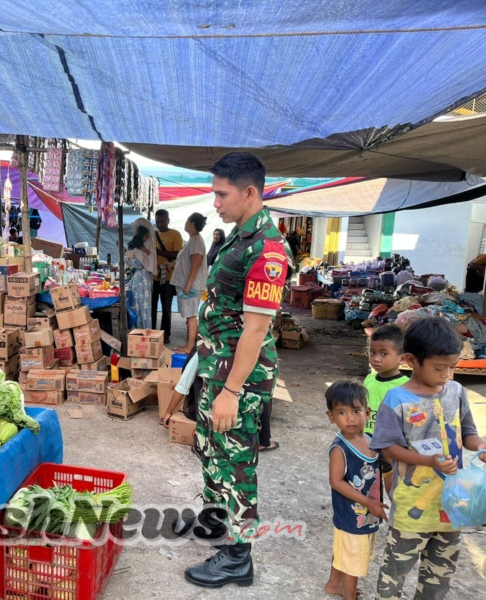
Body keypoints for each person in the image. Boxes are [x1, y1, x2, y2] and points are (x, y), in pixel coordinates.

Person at [179, 152, 292, 589]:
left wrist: (231, 391)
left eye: (221, 194)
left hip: (236, 378)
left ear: (249, 193)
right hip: (217, 366)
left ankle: (238, 557)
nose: (215, 203)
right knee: (212, 452)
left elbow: (257, 328)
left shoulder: (267, 248)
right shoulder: (239, 237)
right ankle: (216, 524)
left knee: (236, 463)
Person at [371, 317, 486, 599]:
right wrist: (429, 462)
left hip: (452, 505)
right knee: (394, 574)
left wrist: (481, 446)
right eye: (439, 368)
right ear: (411, 360)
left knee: (439, 577)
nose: (447, 375)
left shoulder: (456, 392)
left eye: (452, 367)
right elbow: (387, 448)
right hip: (412, 507)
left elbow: (468, 432)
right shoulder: (397, 399)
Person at [324, 381, 388, 600]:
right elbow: (336, 481)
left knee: (346, 552)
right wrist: (369, 503)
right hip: (351, 515)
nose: (350, 418)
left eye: (356, 411)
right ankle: (348, 596)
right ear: (331, 416)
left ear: (367, 412)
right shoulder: (340, 448)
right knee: (353, 560)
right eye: (341, 412)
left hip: (366, 514)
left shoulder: (369, 440)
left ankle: (334, 584)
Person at [364, 324, 409, 495]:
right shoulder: (369, 379)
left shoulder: (404, 386)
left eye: (384, 354)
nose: (376, 358)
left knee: (395, 493)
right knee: (367, 490)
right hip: (366, 443)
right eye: (373, 352)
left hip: (390, 451)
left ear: (402, 358)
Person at [171, 213, 208, 354]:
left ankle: (190, 346)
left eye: (187, 220)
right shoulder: (192, 240)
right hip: (189, 284)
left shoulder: (197, 240)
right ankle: (191, 344)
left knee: (191, 315)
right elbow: (187, 262)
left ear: (192, 223)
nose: (185, 223)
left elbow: (196, 263)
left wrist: (188, 284)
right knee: (189, 315)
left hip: (192, 286)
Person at [151, 209, 183, 344]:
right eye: (157, 221)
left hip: (169, 279)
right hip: (153, 278)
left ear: (168, 220)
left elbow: (177, 255)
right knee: (151, 307)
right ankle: (151, 332)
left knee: (166, 308)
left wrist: (157, 251)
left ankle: (165, 335)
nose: (160, 224)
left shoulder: (176, 234)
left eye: (163, 221)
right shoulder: (152, 235)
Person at [125, 218, 157, 330]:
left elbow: (138, 264)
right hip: (141, 279)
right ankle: (141, 332)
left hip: (141, 280)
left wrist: (127, 257)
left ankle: (142, 332)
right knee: (141, 308)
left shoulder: (146, 245)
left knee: (141, 309)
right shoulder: (143, 244)